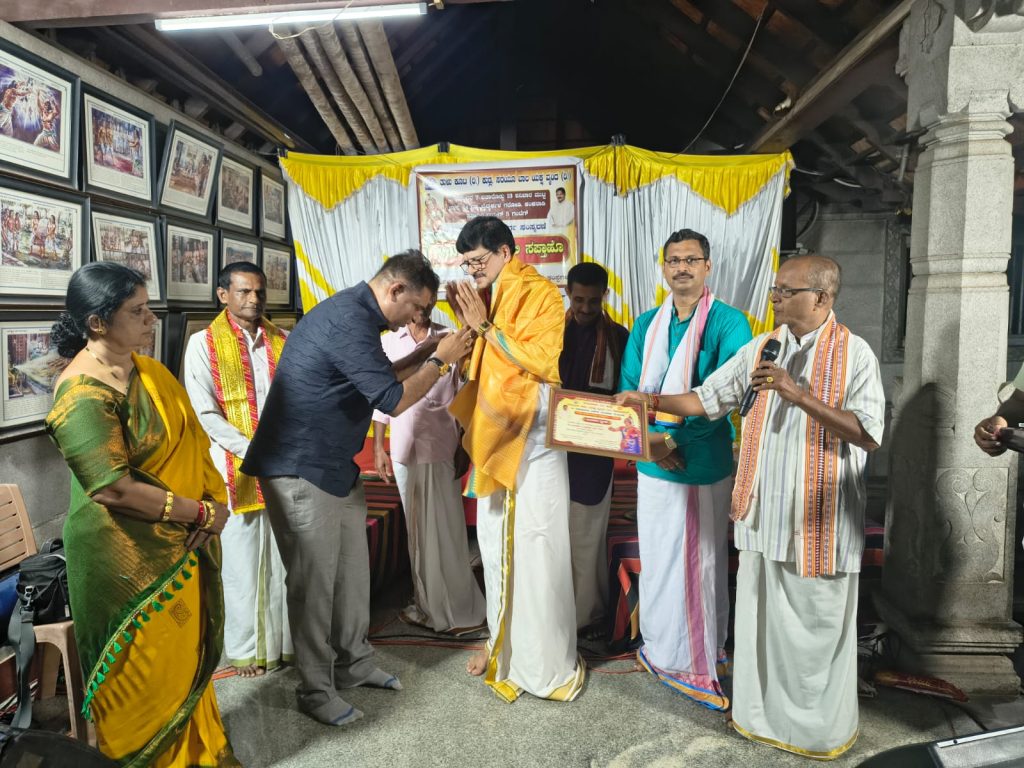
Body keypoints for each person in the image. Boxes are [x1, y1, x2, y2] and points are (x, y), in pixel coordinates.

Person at [618, 254, 884, 759]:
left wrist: (797, 394)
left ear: (821, 298)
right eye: (775, 290)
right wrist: (647, 402)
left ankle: (817, 734)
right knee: (761, 626)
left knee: (814, 628)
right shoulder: (764, 347)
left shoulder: (856, 354)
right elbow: (706, 398)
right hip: (765, 517)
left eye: (787, 291)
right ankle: (759, 719)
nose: (775, 298)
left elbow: (868, 433)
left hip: (817, 522)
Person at [240, 250, 474, 727]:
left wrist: (429, 350)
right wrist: (441, 361)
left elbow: (381, 377)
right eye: (416, 307)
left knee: (352, 574)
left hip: (333, 465)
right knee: (313, 585)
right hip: (299, 466)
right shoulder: (348, 319)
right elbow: (392, 399)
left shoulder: (360, 316)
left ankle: (355, 663)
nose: (415, 318)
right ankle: (315, 689)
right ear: (395, 289)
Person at [45, 262, 238, 766]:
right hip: (123, 559)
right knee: (142, 676)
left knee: (181, 657)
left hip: (179, 540)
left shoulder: (148, 372)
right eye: (138, 311)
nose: (152, 319)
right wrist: (198, 513)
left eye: (147, 308)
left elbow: (192, 443)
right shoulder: (81, 394)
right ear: (97, 323)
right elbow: (113, 490)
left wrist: (212, 504)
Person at [447, 215, 585, 703]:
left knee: (537, 545)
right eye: (467, 264)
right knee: (494, 545)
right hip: (494, 432)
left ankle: (542, 662)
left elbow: (543, 362)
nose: (473, 271)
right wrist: (467, 338)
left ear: (506, 251)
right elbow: (479, 364)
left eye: (478, 260)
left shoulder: (542, 294)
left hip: (533, 435)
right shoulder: (486, 297)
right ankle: (500, 645)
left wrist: (485, 328)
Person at [619, 228, 751, 711]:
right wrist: (651, 447)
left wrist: (671, 442)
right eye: (674, 260)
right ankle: (661, 649)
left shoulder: (729, 323)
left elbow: (723, 396)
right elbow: (629, 391)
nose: (682, 268)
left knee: (698, 567)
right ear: (664, 267)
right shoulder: (646, 324)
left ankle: (696, 660)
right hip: (652, 467)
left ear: (708, 267)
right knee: (659, 564)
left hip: (700, 465)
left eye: (691, 260)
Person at [184, 262, 294, 679]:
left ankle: (284, 645)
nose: (254, 299)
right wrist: (253, 451)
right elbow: (205, 413)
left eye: (259, 292)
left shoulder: (282, 340)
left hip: (282, 464)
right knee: (242, 562)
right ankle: (245, 650)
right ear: (223, 295)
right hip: (236, 469)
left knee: (284, 559)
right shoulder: (202, 343)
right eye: (244, 291)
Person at [371, 300, 486, 635]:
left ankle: (459, 606)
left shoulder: (450, 339)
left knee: (447, 528)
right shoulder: (388, 343)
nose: (421, 309)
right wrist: (378, 447)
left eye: (427, 302)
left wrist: (464, 445)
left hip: (442, 447)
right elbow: (381, 401)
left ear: (434, 301)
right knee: (416, 530)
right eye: (415, 302)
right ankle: (427, 603)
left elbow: (465, 394)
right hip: (404, 448)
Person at [557, 261, 629, 636]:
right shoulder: (552, 331)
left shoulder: (618, 337)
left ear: (605, 295)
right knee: (555, 534)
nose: (585, 308)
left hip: (594, 453)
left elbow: (628, 391)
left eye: (593, 301)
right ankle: (556, 610)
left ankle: (587, 614)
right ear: (568, 293)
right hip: (553, 451)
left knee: (587, 535)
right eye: (579, 300)